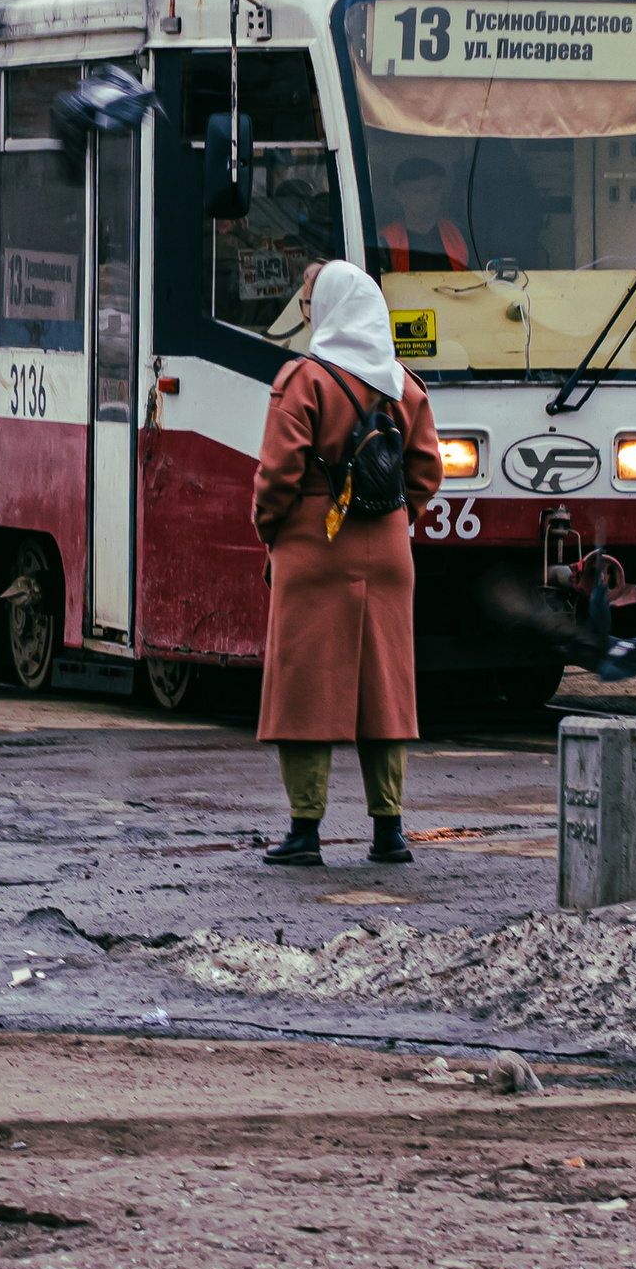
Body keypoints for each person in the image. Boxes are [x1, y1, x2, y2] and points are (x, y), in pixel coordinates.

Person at [252, 256, 442, 866]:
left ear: (327, 312)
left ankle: (305, 832)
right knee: (384, 689)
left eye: (308, 308)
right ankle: (389, 831)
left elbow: (277, 475)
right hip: (387, 547)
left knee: (305, 689)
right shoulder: (403, 382)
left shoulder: (303, 380)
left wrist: (272, 531)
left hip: (313, 542)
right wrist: (393, 516)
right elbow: (428, 471)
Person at [376, 148, 475, 272]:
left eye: (435, 189)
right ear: (400, 196)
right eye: (420, 191)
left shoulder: (459, 234)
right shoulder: (385, 241)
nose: (430, 198)